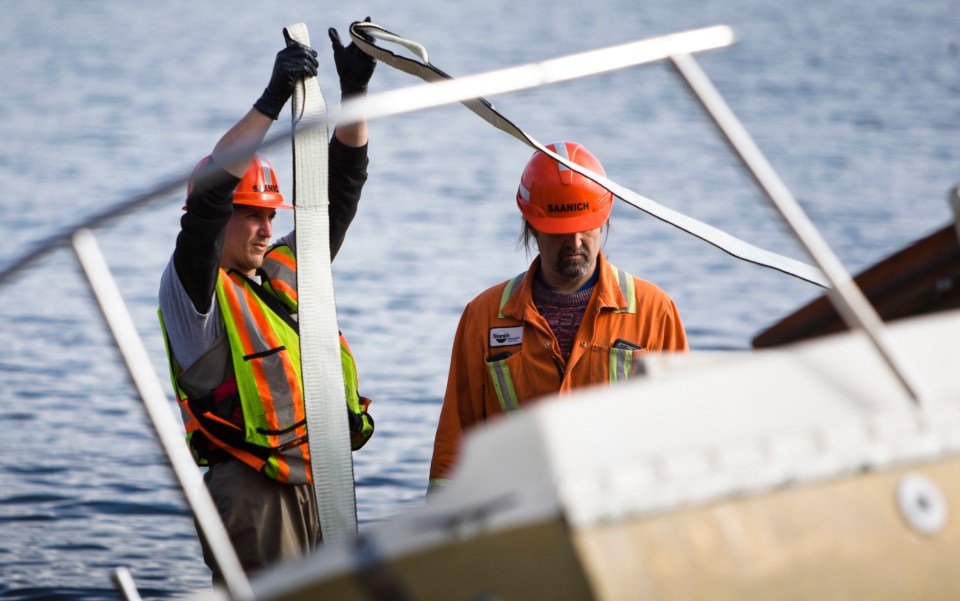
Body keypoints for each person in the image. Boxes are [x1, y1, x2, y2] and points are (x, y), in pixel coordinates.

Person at [158, 26, 376, 580]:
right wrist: (271, 101)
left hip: (318, 486)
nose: (265, 228)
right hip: (253, 494)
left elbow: (341, 190)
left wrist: (354, 95)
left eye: (270, 215)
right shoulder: (193, 294)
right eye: (251, 213)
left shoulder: (280, 275)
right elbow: (207, 205)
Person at [428, 142, 688, 493]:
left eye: (586, 227)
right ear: (532, 226)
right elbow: (455, 445)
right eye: (561, 229)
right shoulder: (485, 317)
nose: (576, 241)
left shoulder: (654, 311)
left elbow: (683, 436)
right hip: (521, 523)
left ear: (605, 220)